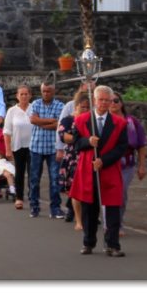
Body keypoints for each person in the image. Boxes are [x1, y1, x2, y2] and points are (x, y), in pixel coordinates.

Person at [70, 85, 129, 257]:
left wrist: (104, 160)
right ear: (94, 100)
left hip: (109, 169)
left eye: (107, 100)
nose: (103, 103)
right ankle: (88, 242)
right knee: (89, 208)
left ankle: (113, 244)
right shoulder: (81, 120)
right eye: (100, 99)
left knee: (112, 208)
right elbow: (75, 144)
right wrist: (88, 141)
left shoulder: (120, 123)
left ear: (111, 101)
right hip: (88, 170)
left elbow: (122, 147)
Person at [110, 92, 147, 234]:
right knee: (108, 194)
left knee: (121, 193)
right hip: (108, 163)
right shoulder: (103, 121)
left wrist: (142, 166)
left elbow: (141, 144)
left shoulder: (131, 122)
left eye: (116, 100)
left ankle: (118, 223)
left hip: (127, 165)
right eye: (110, 101)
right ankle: (110, 222)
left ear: (121, 103)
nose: (113, 103)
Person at [28, 81, 65, 219]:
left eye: (48, 91)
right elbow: (33, 120)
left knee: (55, 179)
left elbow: (59, 124)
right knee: (34, 178)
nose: (46, 93)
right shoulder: (36, 103)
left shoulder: (60, 105)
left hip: (53, 147)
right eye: (43, 91)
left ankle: (55, 208)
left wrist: (41, 121)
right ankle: (34, 207)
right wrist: (51, 121)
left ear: (53, 91)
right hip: (36, 146)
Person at [58, 90, 90, 230]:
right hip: (72, 157)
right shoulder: (68, 120)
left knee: (87, 187)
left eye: (88, 107)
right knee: (74, 188)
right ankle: (77, 218)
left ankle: (87, 215)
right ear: (76, 106)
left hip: (88, 156)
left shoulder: (92, 121)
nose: (85, 110)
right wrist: (83, 140)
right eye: (82, 107)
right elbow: (64, 137)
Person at [3, 84, 33, 209]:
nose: (24, 96)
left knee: (33, 173)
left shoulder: (34, 108)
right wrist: (8, 149)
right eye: (22, 94)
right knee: (19, 173)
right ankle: (19, 198)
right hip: (18, 146)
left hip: (33, 146)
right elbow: (7, 131)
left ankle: (33, 197)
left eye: (26, 94)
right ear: (17, 96)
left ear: (30, 95)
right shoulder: (12, 111)